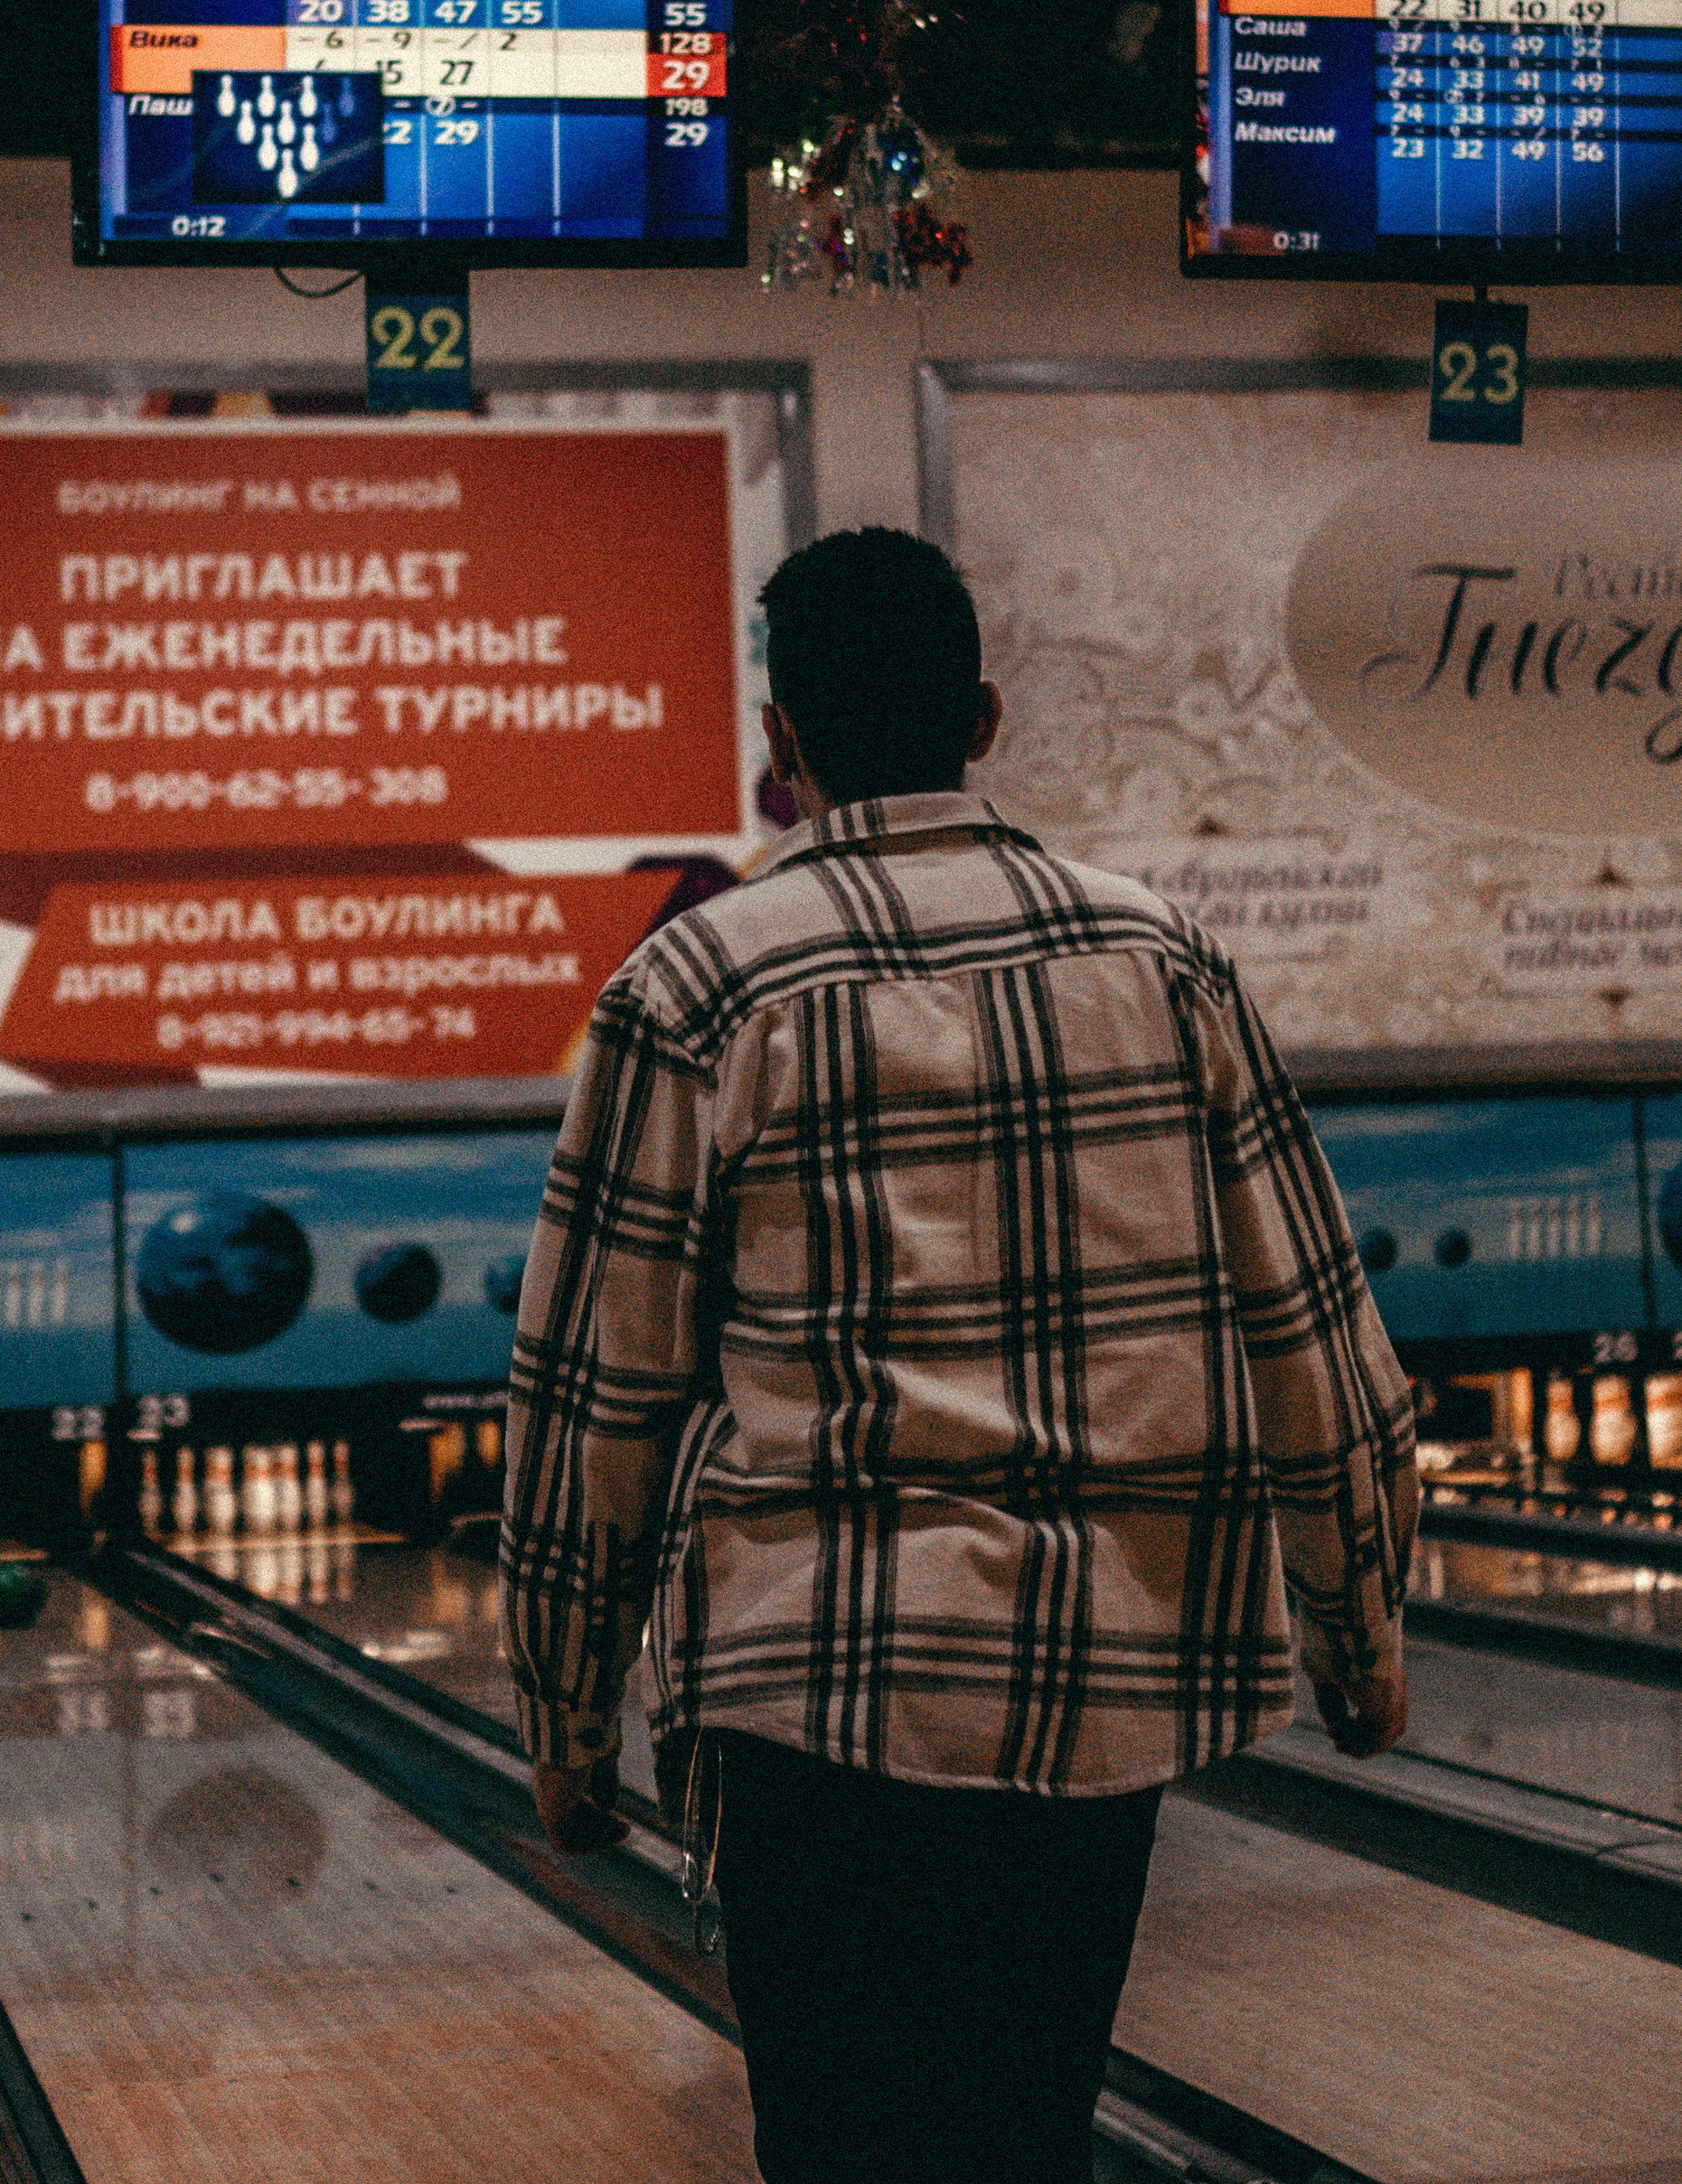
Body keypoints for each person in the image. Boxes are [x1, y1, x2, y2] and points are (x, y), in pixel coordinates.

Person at [500, 525, 1417, 2184]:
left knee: (843, 2150)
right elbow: (1313, 1329)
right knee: (1024, 2141)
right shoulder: (1163, 958)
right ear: (985, 717)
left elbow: (594, 1399)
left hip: (813, 1700)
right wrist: (1358, 1625)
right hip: (1101, 1684)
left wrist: (565, 1719)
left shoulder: (695, 986)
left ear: (780, 744)